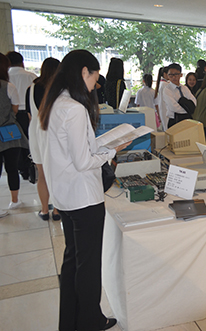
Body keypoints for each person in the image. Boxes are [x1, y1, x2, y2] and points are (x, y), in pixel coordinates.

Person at [37, 49, 131, 331]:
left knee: (72, 260)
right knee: (88, 265)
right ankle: (91, 320)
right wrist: (112, 150)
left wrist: (102, 145)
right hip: (83, 198)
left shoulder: (56, 102)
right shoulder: (76, 109)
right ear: (84, 72)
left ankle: (70, 320)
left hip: (65, 196)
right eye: (94, 77)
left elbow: (74, 150)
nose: (96, 84)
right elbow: (84, 161)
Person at [25, 57, 61, 221]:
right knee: (57, 173)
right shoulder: (60, 89)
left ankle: (45, 210)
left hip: (36, 131)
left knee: (42, 175)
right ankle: (58, 210)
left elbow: (29, 114)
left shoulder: (31, 88)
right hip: (54, 132)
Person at [0, 53, 28, 217]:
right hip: (9, 131)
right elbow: (15, 109)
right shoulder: (8, 86)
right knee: (12, 167)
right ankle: (14, 200)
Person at [6, 51, 37, 179]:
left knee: (14, 143)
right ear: (22, 62)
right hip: (28, 114)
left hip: (12, 115)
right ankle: (30, 168)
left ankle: (20, 168)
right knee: (29, 141)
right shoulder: (31, 76)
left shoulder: (6, 77)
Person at [161, 63, 196, 128]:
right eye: (171, 75)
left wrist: (189, 108)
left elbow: (194, 101)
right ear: (167, 76)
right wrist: (188, 109)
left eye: (176, 74)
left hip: (187, 120)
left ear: (181, 75)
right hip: (175, 120)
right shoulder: (167, 89)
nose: (174, 77)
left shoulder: (184, 88)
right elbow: (173, 107)